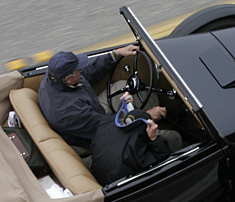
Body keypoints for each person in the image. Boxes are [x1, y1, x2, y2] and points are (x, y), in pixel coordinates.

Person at [38, 46, 167, 150]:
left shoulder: (54, 76)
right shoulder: (68, 111)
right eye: (78, 69)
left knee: (123, 85)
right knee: (171, 138)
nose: (81, 70)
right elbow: (106, 128)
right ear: (69, 78)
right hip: (95, 136)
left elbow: (90, 71)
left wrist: (115, 54)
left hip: (94, 112)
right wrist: (144, 115)